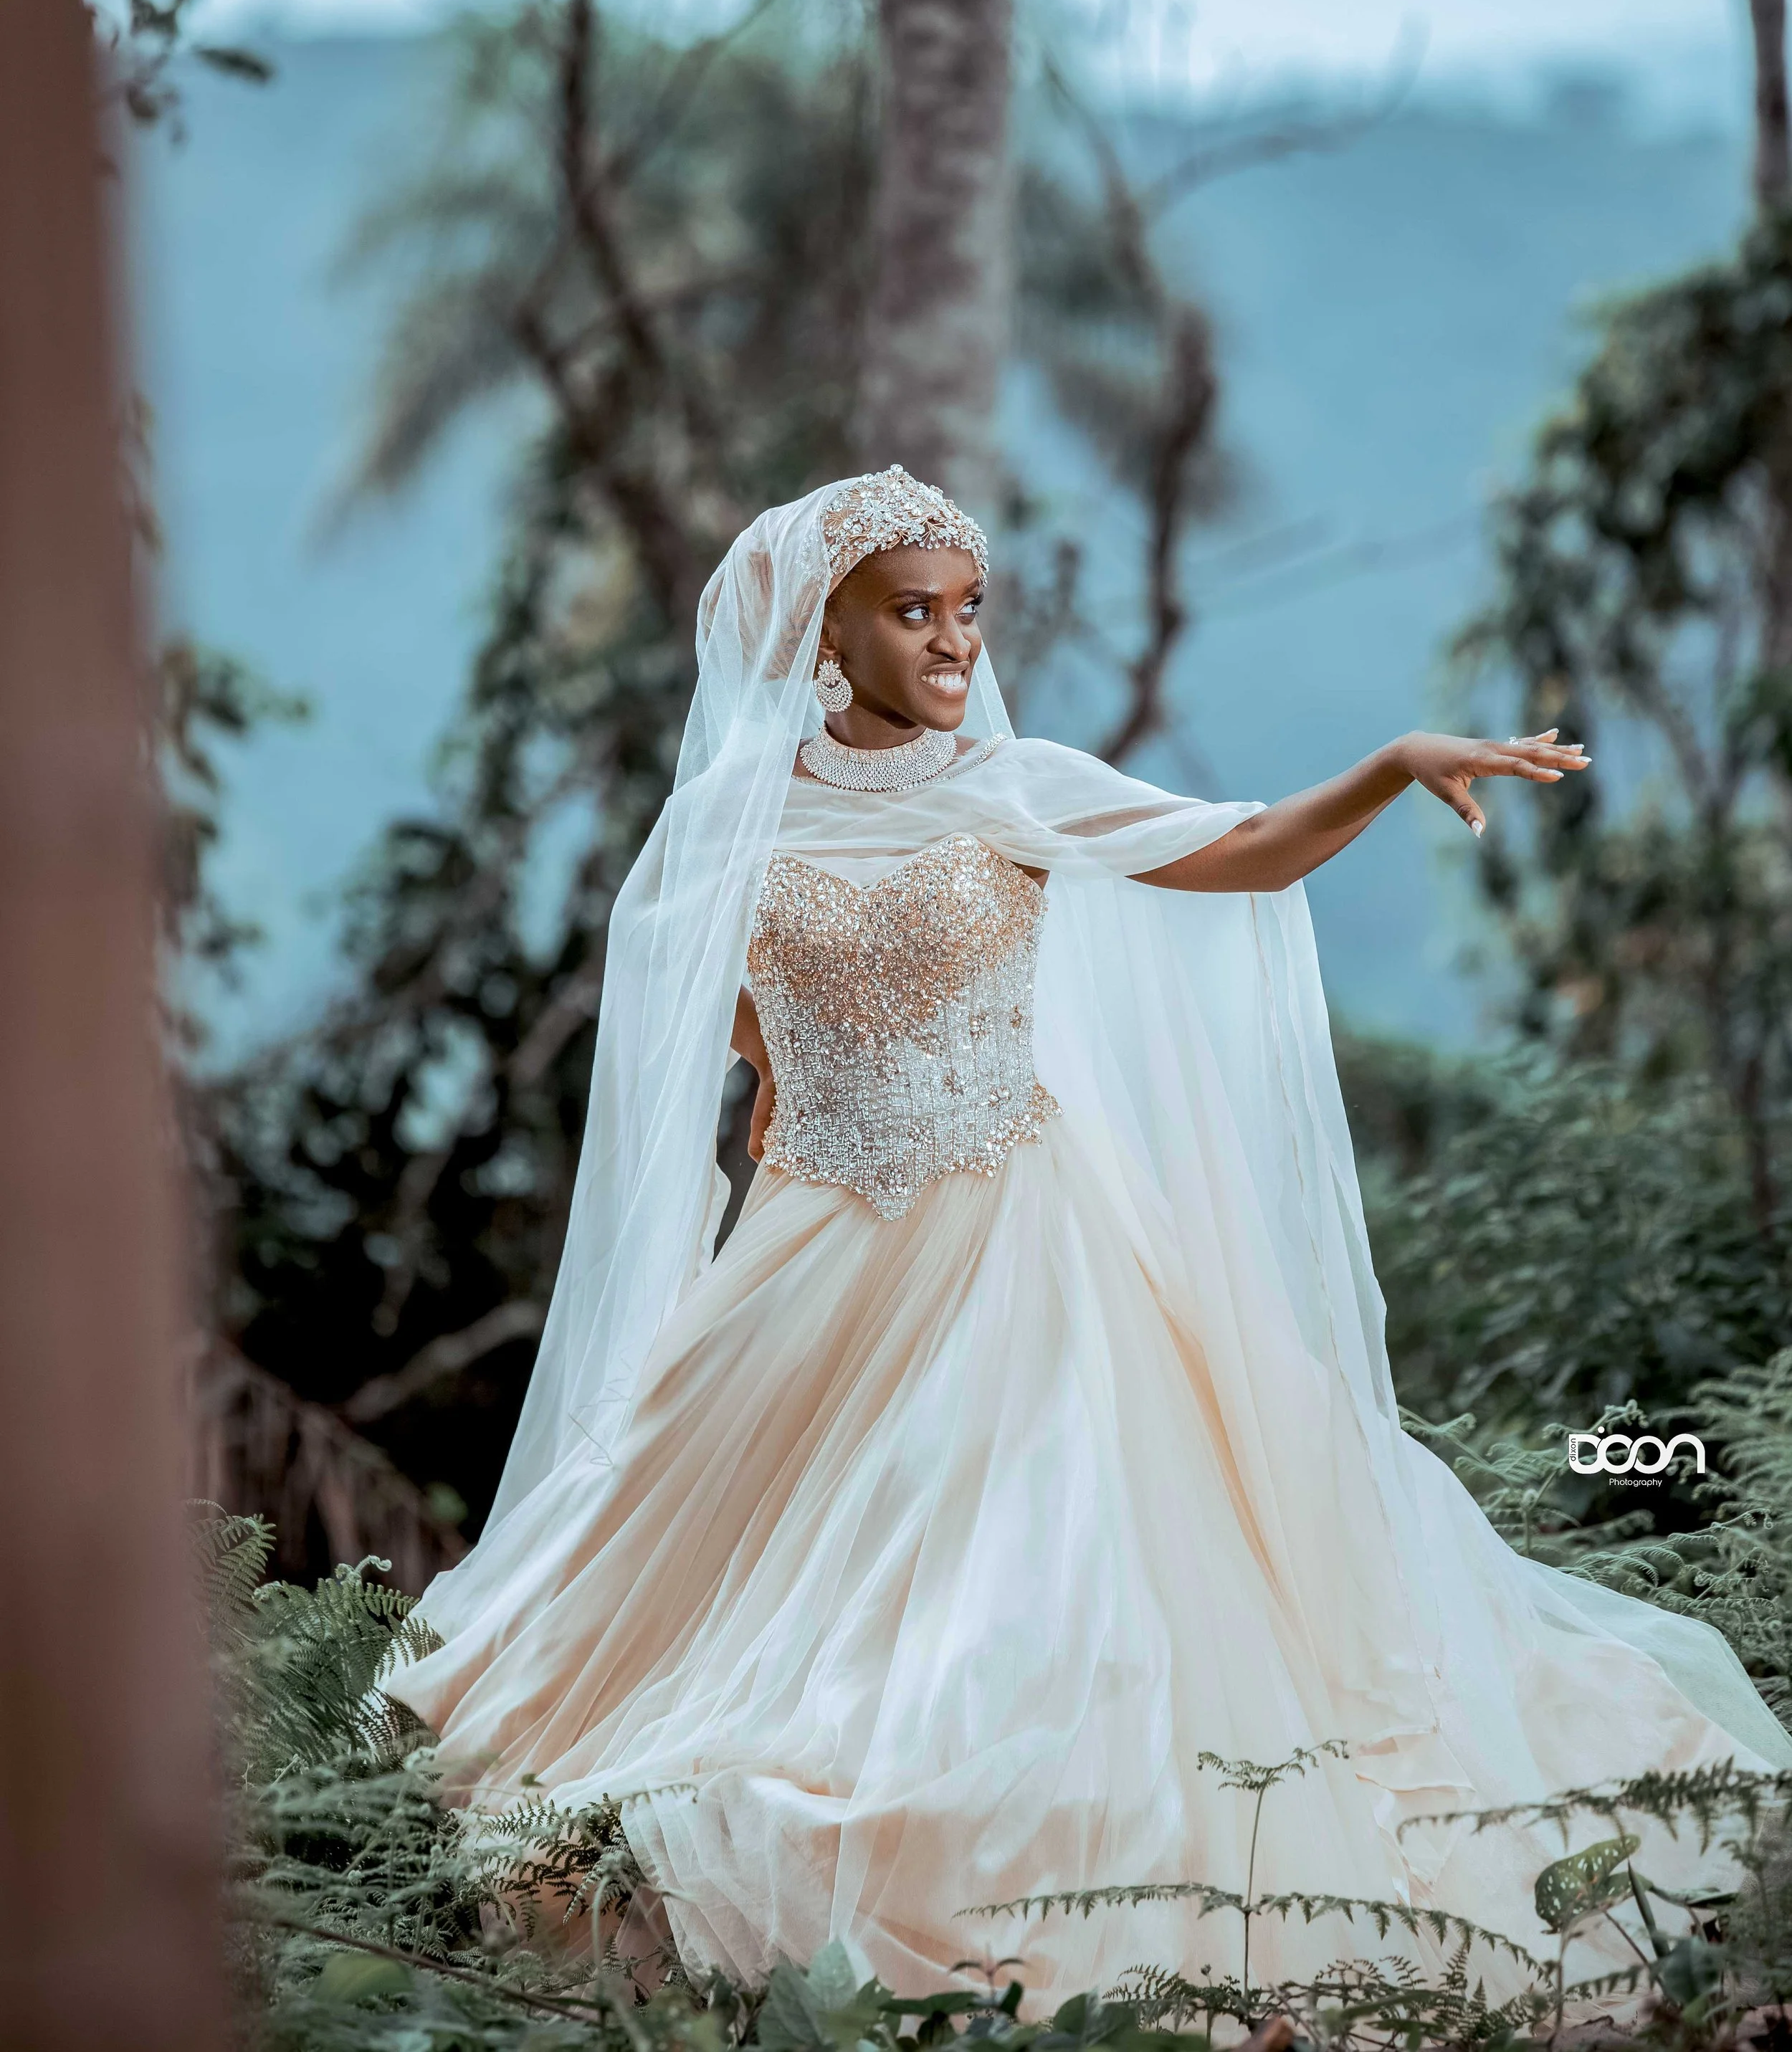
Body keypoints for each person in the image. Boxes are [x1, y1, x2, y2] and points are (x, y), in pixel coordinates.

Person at [389, 467, 1791, 2008]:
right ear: (821, 631)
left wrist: (1391, 764)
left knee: (1051, 1586)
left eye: (964, 610)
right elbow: (727, 1068)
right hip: (810, 1264)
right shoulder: (725, 832)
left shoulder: (1010, 784)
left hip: (1025, 1244)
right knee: (719, 1636)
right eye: (908, 612)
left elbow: (1242, 847)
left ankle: (1038, 1909)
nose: (947, 642)